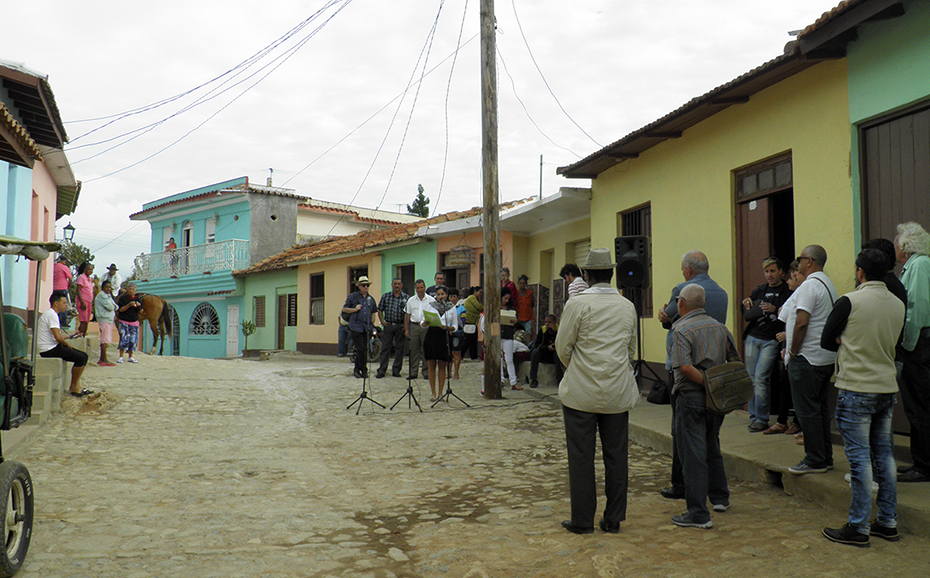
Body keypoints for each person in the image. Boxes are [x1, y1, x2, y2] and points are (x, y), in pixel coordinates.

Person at [819, 249, 905, 547]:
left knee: (859, 459)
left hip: (856, 387)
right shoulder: (897, 303)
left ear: (860, 272)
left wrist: (846, 339)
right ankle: (887, 521)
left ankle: (858, 526)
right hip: (886, 386)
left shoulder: (849, 301)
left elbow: (826, 339)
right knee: (885, 456)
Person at [555, 248, 638, 534]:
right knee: (617, 457)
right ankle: (613, 518)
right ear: (611, 274)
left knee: (581, 457)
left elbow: (563, 347)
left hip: (581, 392)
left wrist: (578, 369)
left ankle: (582, 520)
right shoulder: (627, 306)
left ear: (586, 275)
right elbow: (630, 350)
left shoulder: (577, 304)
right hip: (617, 391)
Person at [657, 251, 728, 501]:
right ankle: (718, 494)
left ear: (688, 270)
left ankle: (683, 486)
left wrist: (664, 317)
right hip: (714, 372)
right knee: (711, 436)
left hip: (687, 375)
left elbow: (668, 319)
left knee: (683, 433)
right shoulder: (722, 293)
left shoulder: (683, 291)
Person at [670, 283, 740, 529]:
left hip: (692, 397)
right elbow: (734, 360)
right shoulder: (720, 327)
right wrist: (717, 385)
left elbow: (685, 367)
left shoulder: (681, 329)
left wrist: (706, 384)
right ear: (704, 304)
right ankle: (720, 498)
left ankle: (698, 513)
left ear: (681, 303)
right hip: (717, 399)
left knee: (694, 455)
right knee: (712, 445)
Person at [786, 245, 838, 475]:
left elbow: (801, 322)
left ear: (809, 261)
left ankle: (815, 459)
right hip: (824, 357)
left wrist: (793, 352)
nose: (798, 263)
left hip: (807, 357)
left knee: (807, 410)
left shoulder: (809, 286)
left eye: (800, 259)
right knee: (819, 409)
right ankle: (824, 456)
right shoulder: (827, 283)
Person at [894, 222, 930, 483]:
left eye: (897, 243)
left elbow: (915, 311)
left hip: (918, 345)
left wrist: (906, 345)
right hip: (919, 344)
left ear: (906, 246)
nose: (895, 247)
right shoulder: (916, 266)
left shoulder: (919, 266)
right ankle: (920, 461)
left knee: (920, 406)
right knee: (916, 406)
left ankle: (925, 466)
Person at [741, 257, 792, 432]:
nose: (769, 275)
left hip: (771, 339)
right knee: (751, 378)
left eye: (772, 271)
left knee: (761, 378)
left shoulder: (787, 291)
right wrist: (746, 303)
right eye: (766, 271)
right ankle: (754, 416)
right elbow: (746, 309)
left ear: (781, 272)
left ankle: (762, 418)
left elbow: (791, 314)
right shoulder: (760, 290)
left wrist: (775, 309)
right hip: (753, 337)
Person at [37, 293, 93, 397]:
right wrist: (68, 345)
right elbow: (58, 338)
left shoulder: (51, 314)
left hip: (52, 346)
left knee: (84, 356)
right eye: (64, 303)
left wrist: (71, 336)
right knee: (80, 358)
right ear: (56, 303)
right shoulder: (51, 315)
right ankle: (74, 387)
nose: (66, 305)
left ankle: (76, 385)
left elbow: (57, 336)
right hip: (49, 349)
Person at [424, 286, 458, 401]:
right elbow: (423, 321)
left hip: (444, 336)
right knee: (431, 364)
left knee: (442, 365)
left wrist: (447, 327)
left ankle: (440, 393)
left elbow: (455, 326)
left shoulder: (451, 308)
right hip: (432, 335)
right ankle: (433, 393)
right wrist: (424, 323)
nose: (440, 296)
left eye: (442, 294)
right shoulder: (430, 306)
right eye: (438, 294)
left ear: (446, 295)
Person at [342, 276, 378, 379]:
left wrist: (372, 323)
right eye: (364, 285)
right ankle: (363, 369)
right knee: (360, 348)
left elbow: (373, 312)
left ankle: (357, 369)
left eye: (367, 285)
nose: (366, 287)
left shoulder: (371, 299)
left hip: (366, 327)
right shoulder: (353, 297)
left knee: (364, 349)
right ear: (359, 286)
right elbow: (344, 309)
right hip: (356, 326)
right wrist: (354, 309)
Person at [376, 278, 409, 379]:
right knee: (385, 348)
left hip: (400, 326)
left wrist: (405, 325)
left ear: (401, 285)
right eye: (395, 284)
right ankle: (382, 370)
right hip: (389, 325)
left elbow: (408, 313)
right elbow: (380, 309)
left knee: (400, 349)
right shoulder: (386, 296)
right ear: (392, 285)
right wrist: (382, 322)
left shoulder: (406, 298)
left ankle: (396, 370)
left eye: (399, 284)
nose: (397, 286)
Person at [405, 279, 435, 380]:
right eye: (418, 288)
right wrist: (407, 329)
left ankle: (426, 372)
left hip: (426, 326)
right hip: (414, 326)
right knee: (414, 350)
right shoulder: (411, 300)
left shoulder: (431, 300)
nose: (420, 290)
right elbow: (407, 315)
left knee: (425, 349)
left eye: (421, 287)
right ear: (415, 289)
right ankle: (413, 372)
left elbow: (435, 314)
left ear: (425, 288)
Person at [529, 314, 561, 387]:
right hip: (544, 353)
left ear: (554, 323)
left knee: (558, 355)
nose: (547, 324)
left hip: (554, 354)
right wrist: (547, 347)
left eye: (549, 322)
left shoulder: (559, 330)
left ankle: (559, 380)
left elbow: (562, 344)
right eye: (546, 322)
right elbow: (537, 345)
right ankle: (534, 379)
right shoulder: (542, 330)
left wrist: (555, 332)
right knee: (535, 352)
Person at [499, 287, 522, 391]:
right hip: (498, 335)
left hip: (508, 335)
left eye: (508, 299)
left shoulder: (511, 310)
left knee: (509, 359)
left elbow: (518, 325)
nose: (507, 301)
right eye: (505, 298)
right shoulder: (495, 309)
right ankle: (501, 380)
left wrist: (515, 322)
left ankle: (513, 382)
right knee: (499, 359)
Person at [116, 283, 144, 364]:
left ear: (135, 291)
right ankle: (121, 357)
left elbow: (141, 312)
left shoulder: (138, 299)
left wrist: (139, 306)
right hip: (124, 321)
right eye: (130, 289)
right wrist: (128, 305)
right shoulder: (123, 298)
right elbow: (120, 310)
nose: (131, 291)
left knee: (133, 340)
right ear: (127, 290)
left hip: (134, 322)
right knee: (124, 338)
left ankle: (131, 356)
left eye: (133, 289)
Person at [94, 280, 117, 366]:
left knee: (106, 338)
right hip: (104, 319)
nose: (108, 289)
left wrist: (114, 306)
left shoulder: (108, 295)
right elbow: (111, 307)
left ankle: (104, 358)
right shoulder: (102, 296)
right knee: (104, 339)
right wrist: (114, 307)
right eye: (106, 287)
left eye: (109, 287)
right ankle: (103, 359)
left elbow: (116, 306)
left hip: (108, 319)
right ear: (102, 288)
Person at [461, 287, 483, 360]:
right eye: (480, 292)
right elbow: (480, 307)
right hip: (469, 322)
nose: (481, 294)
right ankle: (460, 355)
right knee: (467, 341)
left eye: (482, 293)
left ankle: (473, 356)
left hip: (473, 323)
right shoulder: (472, 298)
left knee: (473, 340)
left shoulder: (477, 299)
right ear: (475, 291)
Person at [74, 261, 95, 337]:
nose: (90, 271)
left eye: (91, 270)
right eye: (89, 269)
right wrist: (82, 302)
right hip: (83, 301)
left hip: (89, 302)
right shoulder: (81, 277)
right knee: (83, 320)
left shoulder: (89, 279)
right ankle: (80, 335)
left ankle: (83, 335)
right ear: (84, 269)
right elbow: (78, 290)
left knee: (87, 321)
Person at [448, 287, 465, 379]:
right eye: (451, 296)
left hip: (457, 333)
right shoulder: (446, 308)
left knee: (456, 352)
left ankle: (456, 372)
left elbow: (462, 322)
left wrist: (453, 329)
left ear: (457, 297)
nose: (452, 298)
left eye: (454, 296)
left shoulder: (461, 308)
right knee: (448, 353)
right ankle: (448, 372)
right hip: (448, 332)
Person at [52, 255, 73, 328]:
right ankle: (63, 322)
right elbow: (70, 278)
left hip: (54, 288)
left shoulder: (53, 267)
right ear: (63, 261)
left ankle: (55, 321)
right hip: (62, 288)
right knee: (63, 304)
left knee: (55, 304)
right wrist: (69, 285)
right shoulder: (64, 267)